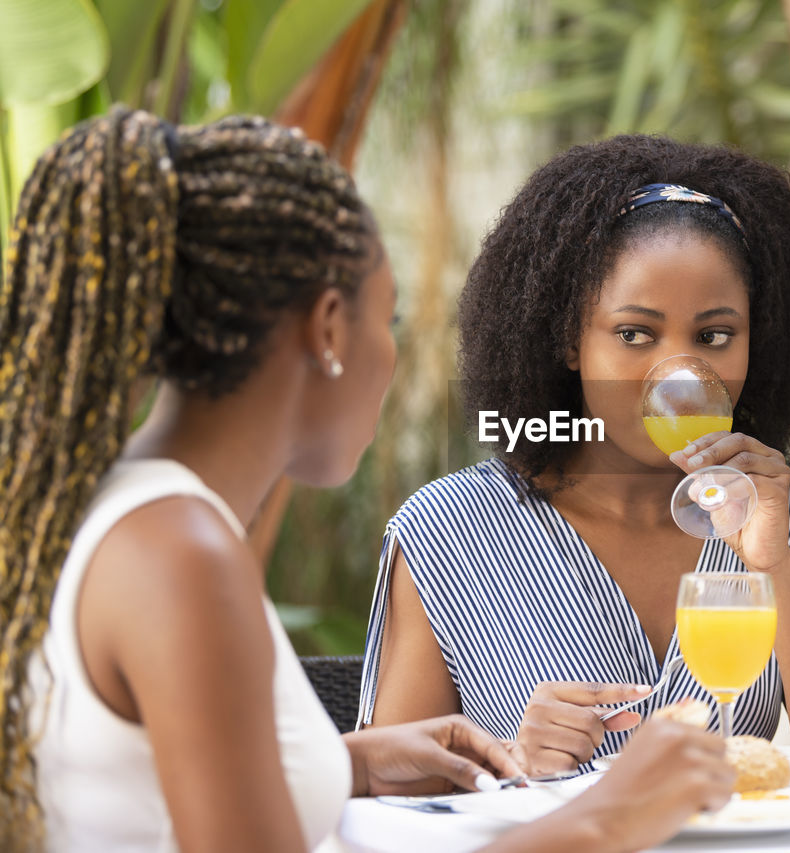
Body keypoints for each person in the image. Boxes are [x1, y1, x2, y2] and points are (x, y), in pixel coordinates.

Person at [0, 108, 734, 853]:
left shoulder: (125, 512)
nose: (391, 360)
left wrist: (348, 763)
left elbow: (138, 785)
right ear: (327, 329)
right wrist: (605, 819)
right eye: (388, 317)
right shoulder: (181, 554)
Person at [359, 135, 790, 774]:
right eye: (634, 334)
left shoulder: (774, 513)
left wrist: (776, 567)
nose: (679, 371)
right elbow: (386, 794)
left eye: (715, 335)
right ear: (568, 341)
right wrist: (513, 759)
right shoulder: (447, 533)